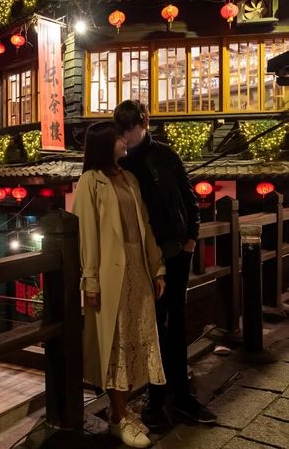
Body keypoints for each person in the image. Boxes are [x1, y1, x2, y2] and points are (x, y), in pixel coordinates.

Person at [113, 100, 217, 427]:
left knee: (176, 321)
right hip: (145, 257)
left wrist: (190, 240)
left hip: (176, 252)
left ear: (144, 122)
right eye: (124, 129)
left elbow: (189, 199)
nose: (128, 136)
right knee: (154, 326)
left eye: (132, 128)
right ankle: (156, 399)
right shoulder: (122, 163)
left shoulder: (167, 155)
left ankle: (182, 396)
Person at [72, 121, 166, 448]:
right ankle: (117, 415)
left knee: (136, 338)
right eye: (118, 138)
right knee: (115, 344)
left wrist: (157, 267)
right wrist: (91, 279)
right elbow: (87, 235)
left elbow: (144, 226)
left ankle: (123, 412)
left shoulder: (129, 178)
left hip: (137, 268)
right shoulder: (89, 182)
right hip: (110, 275)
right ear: (104, 144)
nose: (124, 141)